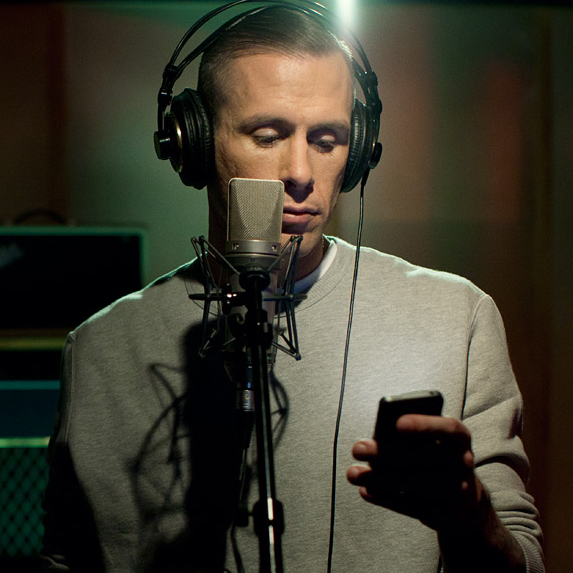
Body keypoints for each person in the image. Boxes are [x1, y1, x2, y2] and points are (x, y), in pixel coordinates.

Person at [41, 3, 544, 573]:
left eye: (326, 139)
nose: (300, 172)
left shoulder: (457, 319)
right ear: (193, 143)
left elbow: (524, 559)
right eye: (267, 135)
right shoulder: (101, 351)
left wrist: (470, 520)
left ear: (358, 152)